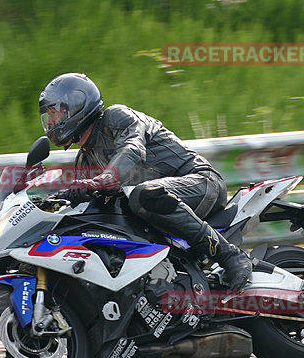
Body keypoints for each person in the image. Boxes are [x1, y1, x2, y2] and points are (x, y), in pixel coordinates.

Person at [38, 72, 252, 290]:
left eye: (55, 112)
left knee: (144, 195)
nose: (51, 121)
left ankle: (230, 256)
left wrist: (106, 179)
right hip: (158, 207)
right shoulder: (85, 160)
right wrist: (59, 198)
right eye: (49, 115)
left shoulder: (116, 118)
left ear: (76, 104)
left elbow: (132, 148)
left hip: (202, 183)